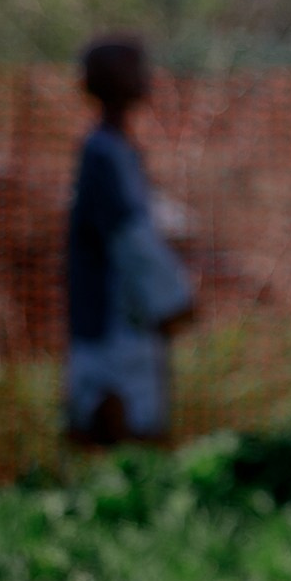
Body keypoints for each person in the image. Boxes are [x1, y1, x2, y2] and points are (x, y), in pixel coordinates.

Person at [64, 36, 194, 445]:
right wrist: (173, 299)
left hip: (122, 308)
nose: (146, 78)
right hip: (112, 312)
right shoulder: (104, 153)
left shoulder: (114, 149)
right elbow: (129, 236)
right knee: (119, 416)